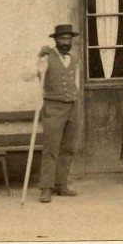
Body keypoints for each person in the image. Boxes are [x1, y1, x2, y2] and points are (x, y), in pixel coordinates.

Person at [34, 23, 82, 203]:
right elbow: (32, 75)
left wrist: (75, 97)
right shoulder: (47, 57)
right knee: (51, 149)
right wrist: (39, 59)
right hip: (53, 107)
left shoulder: (74, 57)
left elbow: (75, 81)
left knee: (68, 148)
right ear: (56, 40)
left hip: (72, 106)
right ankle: (46, 188)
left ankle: (61, 185)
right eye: (62, 38)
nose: (66, 42)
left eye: (69, 39)